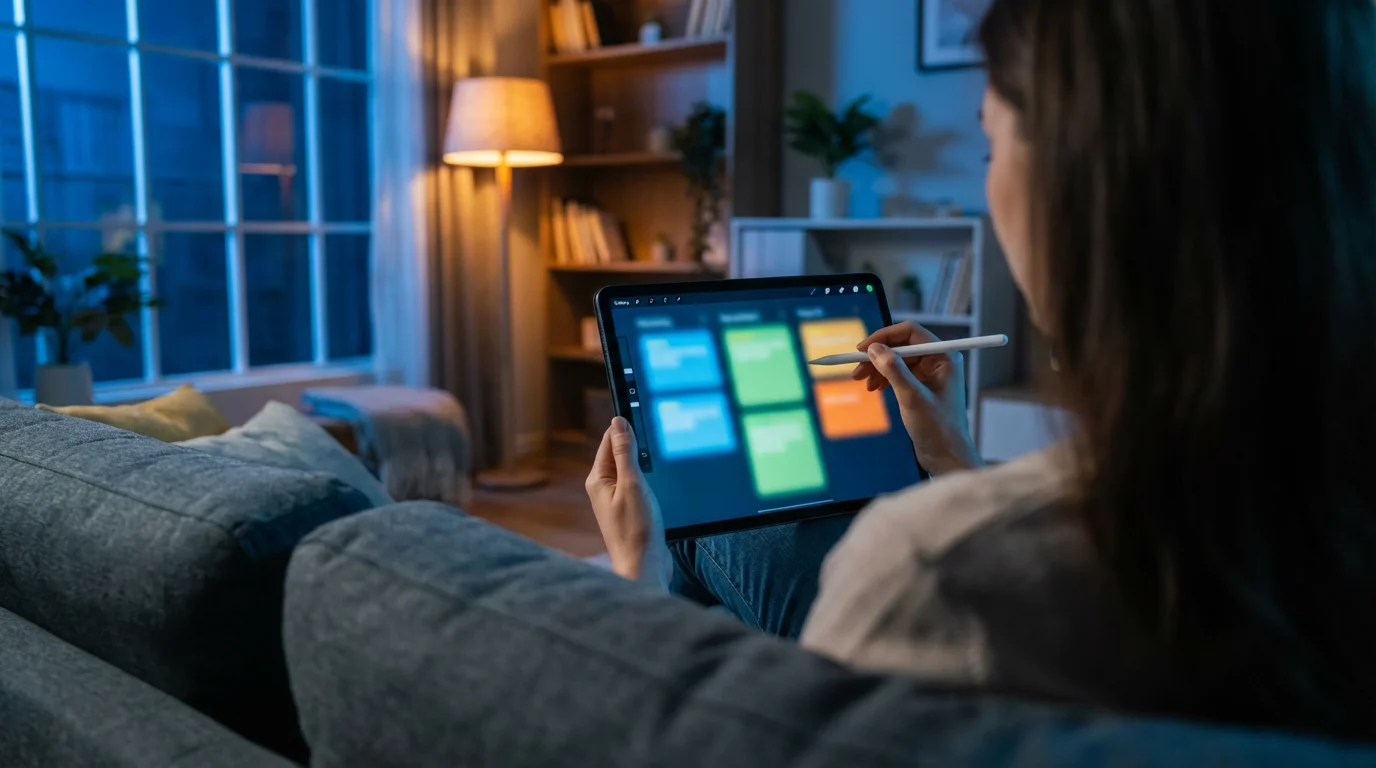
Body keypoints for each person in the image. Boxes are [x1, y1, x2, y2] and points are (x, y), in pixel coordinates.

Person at [586, 0, 1376, 741]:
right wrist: (955, 460)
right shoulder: (1318, 508)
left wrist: (631, 582)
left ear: (1081, 196)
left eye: (992, 146)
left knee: (685, 526)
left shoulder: (929, 570)